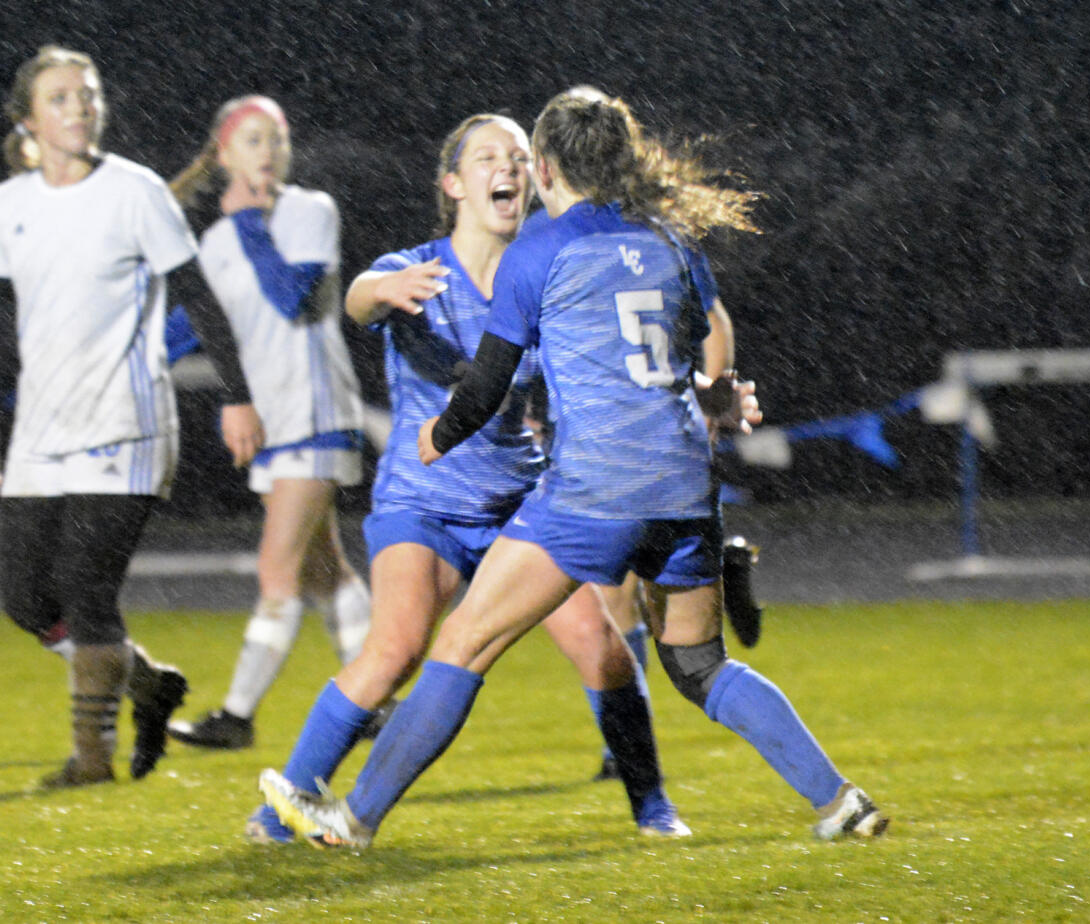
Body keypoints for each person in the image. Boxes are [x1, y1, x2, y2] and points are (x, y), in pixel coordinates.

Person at [261, 89, 888, 848]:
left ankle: (353, 820)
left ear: (547, 169)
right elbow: (678, 353)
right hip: (686, 487)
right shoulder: (668, 242)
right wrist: (715, 397)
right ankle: (839, 801)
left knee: (462, 644)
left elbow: (487, 384)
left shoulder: (540, 251)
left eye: (522, 159)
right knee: (697, 666)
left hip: (593, 493)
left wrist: (444, 432)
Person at [250, 112, 686, 844]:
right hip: (423, 505)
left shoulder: (549, 273)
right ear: (454, 184)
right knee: (394, 649)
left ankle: (654, 809)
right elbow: (358, 294)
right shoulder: (418, 268)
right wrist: (378, 292)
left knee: (603, 650)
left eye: (518, 155)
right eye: (487, 157)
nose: (507, 167)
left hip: (522, 505)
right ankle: (278, 810)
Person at [0, 46, 263, 788]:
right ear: (28, 117)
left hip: (127, 422)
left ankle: (90, 763)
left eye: (87, 95)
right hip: (40, 426)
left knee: (87, 590)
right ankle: (148, 684)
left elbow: (197, 293)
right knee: (27, 599)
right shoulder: (12, 204)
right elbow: (4, 316)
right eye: (60, 98)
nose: (77, 108)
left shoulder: (134, 192)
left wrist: (237, 395)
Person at [162, 96, 373, 752]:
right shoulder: (218, 239)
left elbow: (294, 297)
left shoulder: (309, 210)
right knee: (324, 571)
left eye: (276, 138)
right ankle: (376, 701)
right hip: (273, 420)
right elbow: (199, 324)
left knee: (276, 570)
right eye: (252, 139)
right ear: (223, 154)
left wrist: (252, 224)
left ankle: (238, 715)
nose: (267, 151)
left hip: (314, 412)